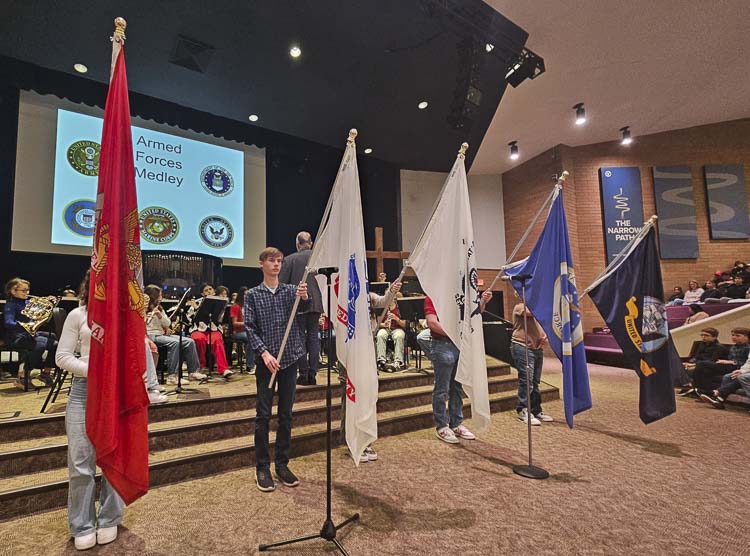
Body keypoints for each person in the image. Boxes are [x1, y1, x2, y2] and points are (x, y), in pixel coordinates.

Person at [55, 273, 124, 551]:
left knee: (114, 460)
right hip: (84, 391)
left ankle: (110, 518)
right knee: (80, 461)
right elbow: (63, 357)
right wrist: (96, 371)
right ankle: (82, 524)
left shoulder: (124, 317)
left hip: (117, 393)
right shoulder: (77, 314)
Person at [245, 247, 309, 492]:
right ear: (261, 264)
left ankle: (282, 464)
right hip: (266, 362)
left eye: (279, 261)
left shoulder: (291, 291)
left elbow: (304, 312)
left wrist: (304, 298)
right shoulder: (252, 295)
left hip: (290, 358)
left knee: (286, 415)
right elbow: (250, 328)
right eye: (271, 260)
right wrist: (264, 352)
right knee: (263, 415)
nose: (276, 264)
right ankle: (262, 467)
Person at [424, 290, 492, 444]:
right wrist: (455, 333)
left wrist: (483, 301)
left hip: (459, 345)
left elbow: (473, 316)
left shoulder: (459, 297)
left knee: (457, 386)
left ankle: (456, 423)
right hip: (443, 345)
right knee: (442, 388)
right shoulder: (433, 296)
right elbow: (432, 322)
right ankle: (442, 426)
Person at [279, 231, 324, 386]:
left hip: (297, 303)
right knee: (313, 337)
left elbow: (282, 285)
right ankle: (313, 373)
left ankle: (303, 374)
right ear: (310, 243)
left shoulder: (290, 259)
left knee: (299, 338)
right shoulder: (320, 258)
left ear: (298, 244)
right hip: (317, 302)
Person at [144, 285, 205, 384]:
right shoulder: (144, 308)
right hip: (151, 335)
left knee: (189, 341)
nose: (161, 298)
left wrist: (160, 316)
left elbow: (167, 323)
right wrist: (147, 318)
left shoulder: (159, 308)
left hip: (161, 334)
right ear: (153, 296)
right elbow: (143, 326)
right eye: (159, 295)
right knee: (175, 343)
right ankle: (172, 376)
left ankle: (193, 372)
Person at [3, 277, 57, 389]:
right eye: (23, 290)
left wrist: (48, 303)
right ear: (13, 291)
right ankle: (23, 376)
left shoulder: (28, 302)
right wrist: (25, 326)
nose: (27, 293)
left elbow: (41, 317)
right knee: (39, 345)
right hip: (15, 337)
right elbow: (8, 323)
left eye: (28, 290)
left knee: (55, 344)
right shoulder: (10, 305)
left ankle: (45, 373)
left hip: (30, 335)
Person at [510, 302, 554, 425]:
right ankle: (522, 409)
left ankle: (536, 410)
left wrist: (544, 335)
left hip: (536, 348)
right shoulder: (519, 306)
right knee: (527, 380)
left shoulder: (539, 308)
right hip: (522, 346)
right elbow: (531, 313)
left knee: (535, 381)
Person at [188, 283, 233, 378]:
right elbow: (190, 318)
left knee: (217, 340)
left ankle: (223, 369)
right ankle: (200, 366)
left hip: (213, 328)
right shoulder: (196, 302)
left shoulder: (219, 303)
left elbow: (220, 318)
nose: (209, 291)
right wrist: (196, 308)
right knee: (198, 339)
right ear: (202, 293)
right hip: (198, 329)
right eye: (206, 290)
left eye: (210, 289)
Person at [700, 327, 750, 407]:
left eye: (737, 335)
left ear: (747, 337)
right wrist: (741, 371)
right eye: (733, 335)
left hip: (737, 367)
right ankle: (719, 399)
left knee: (704, 365)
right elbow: (748, 363)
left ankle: (716, 393)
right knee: (727, 376)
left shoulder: (748, 348)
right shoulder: (734, 347)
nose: (734, 337)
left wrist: (734, 364)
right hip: (740, 369)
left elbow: (741, 362)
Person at [680, 327, 729, 396]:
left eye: (706, 335)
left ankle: (696, 389)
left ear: (714, 337)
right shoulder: (701, 344)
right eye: (702, 335)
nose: (703, 337)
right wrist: (690, 363)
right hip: (700, 364)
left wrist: (694, 365)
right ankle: (691, 388)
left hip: (712, 367)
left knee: (698, 369)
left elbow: (712, 360)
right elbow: (696, 357)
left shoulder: (719, 347)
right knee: (682, 365)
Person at [376, 296, 406, 370]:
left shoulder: (400, 307)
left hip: (397, 328)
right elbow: (376, 324)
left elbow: (405, 325)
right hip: (386, 329)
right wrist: (383, 324)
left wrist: (396, 319)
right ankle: (381, 360)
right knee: (380, 335)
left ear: (394, 298)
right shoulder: (381, 308)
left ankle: (398, 361)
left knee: (399, 336)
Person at [229, 286, 255, 373]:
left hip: (248, 331)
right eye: (245, 294)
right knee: (251, 339)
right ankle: (250, 366)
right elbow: (234, 323)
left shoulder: (249, 307)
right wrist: (247, 323)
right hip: (238, 332)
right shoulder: (235, 306)